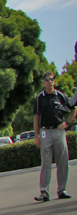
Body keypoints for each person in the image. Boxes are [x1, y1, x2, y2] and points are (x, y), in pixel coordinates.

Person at [33, 71, 75, 202]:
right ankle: (44, 192)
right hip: (46, 131)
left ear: (54, 81)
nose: (49, 82)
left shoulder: (60, 96)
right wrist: (36, 136)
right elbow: (36, 117)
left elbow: (73, 108)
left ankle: (62, 190)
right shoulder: (40, 97)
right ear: (44, 82)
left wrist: (67, 123)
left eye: (51, 79)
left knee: (62, 161)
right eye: (47, 80)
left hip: (59, 130)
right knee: (46, 163)